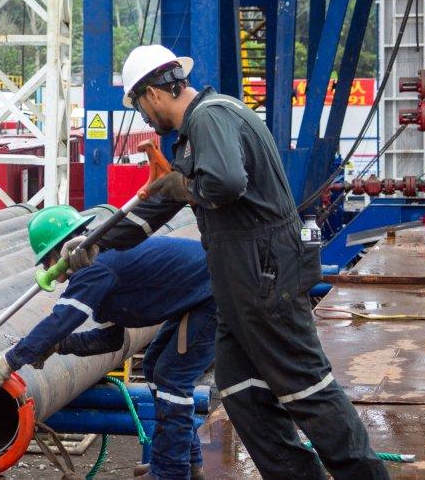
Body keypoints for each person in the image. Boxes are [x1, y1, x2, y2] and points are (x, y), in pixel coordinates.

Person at [68, 45, 387, 479]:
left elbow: (225, 183)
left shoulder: (209, 117)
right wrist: (95, 242)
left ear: (153, 94)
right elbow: (159, 208)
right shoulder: (198, 130)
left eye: (140, 107)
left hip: (264, 275)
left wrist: (179, 186)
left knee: (305, 386)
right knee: (242, 390)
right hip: (241, 281)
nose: (144, 117)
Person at [0, 205, 216, 480]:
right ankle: (184, 463)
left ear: (60, 251)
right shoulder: (103, 265)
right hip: (202, 296)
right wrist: (58, 346)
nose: (48, 270)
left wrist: (10, 360)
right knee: (154, 368)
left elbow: (63, 318)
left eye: (46, 261)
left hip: (216, 295)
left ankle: (171, 471)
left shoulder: (96, 266)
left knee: (171, 378)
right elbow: (111, 340)